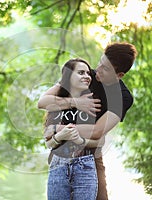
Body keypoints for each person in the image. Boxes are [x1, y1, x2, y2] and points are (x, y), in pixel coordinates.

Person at [38, 42, 137, 200]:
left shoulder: (122, 98)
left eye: (105, 68)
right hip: (62, 151)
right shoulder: (86, 75)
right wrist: (75, 102)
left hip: (91, 154)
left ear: (119, 75)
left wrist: (58, 128)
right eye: (100, 62)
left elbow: (97, 131)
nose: (98, 70)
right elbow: (43, 101)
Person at [44, 58, 103, 200]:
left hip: (85, 165)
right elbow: (48, 143)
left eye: (88, 73)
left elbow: (100, 141)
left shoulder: (92, 103)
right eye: (81, 73)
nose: (87, 76)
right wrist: (61, 136)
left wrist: (80, 140)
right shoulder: (57, 103)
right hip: (58, 164)